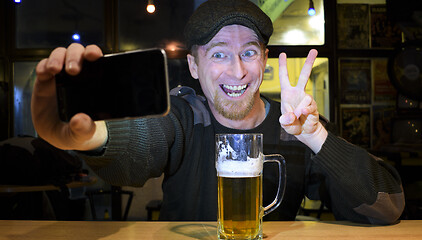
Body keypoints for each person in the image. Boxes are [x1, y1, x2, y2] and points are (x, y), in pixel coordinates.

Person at [31, 0, 404, 224]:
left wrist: (316, 136)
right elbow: (143, 145)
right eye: (219, 53)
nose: (238, 71)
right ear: (194, 66)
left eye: (249, 53)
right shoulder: (183, 115)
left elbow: (387, 208)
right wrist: (89, 136)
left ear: (264, 61)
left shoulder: (297, 123)